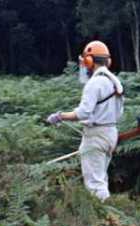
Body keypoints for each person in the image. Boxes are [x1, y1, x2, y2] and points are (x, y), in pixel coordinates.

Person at [47, 40, 124, 201]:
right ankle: (109, 217)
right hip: (111, 134)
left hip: (96, 136)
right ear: (107, 60)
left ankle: (106, 221)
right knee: (101, 178)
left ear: (89, 60)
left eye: (85, 61)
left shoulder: (95, 83)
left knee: (95, 184)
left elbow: (83, 113)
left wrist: (60, 116)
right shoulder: (114, 81)